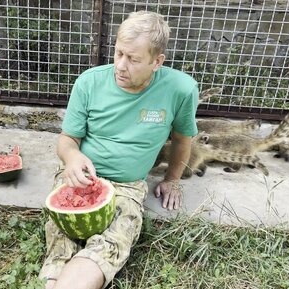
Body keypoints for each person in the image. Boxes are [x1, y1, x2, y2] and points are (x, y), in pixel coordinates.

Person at [39, 10, 199, 289]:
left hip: (128, 186)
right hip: (81, 178)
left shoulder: (181, 90)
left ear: (156, 61)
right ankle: (55, 276)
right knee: (62, 234)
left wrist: (172, 179)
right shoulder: (89, 82)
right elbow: (67, 140)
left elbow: (183, 139)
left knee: (114, 241)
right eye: (118, 53)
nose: (120, 66)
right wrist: (72, 157)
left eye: (133, 59)